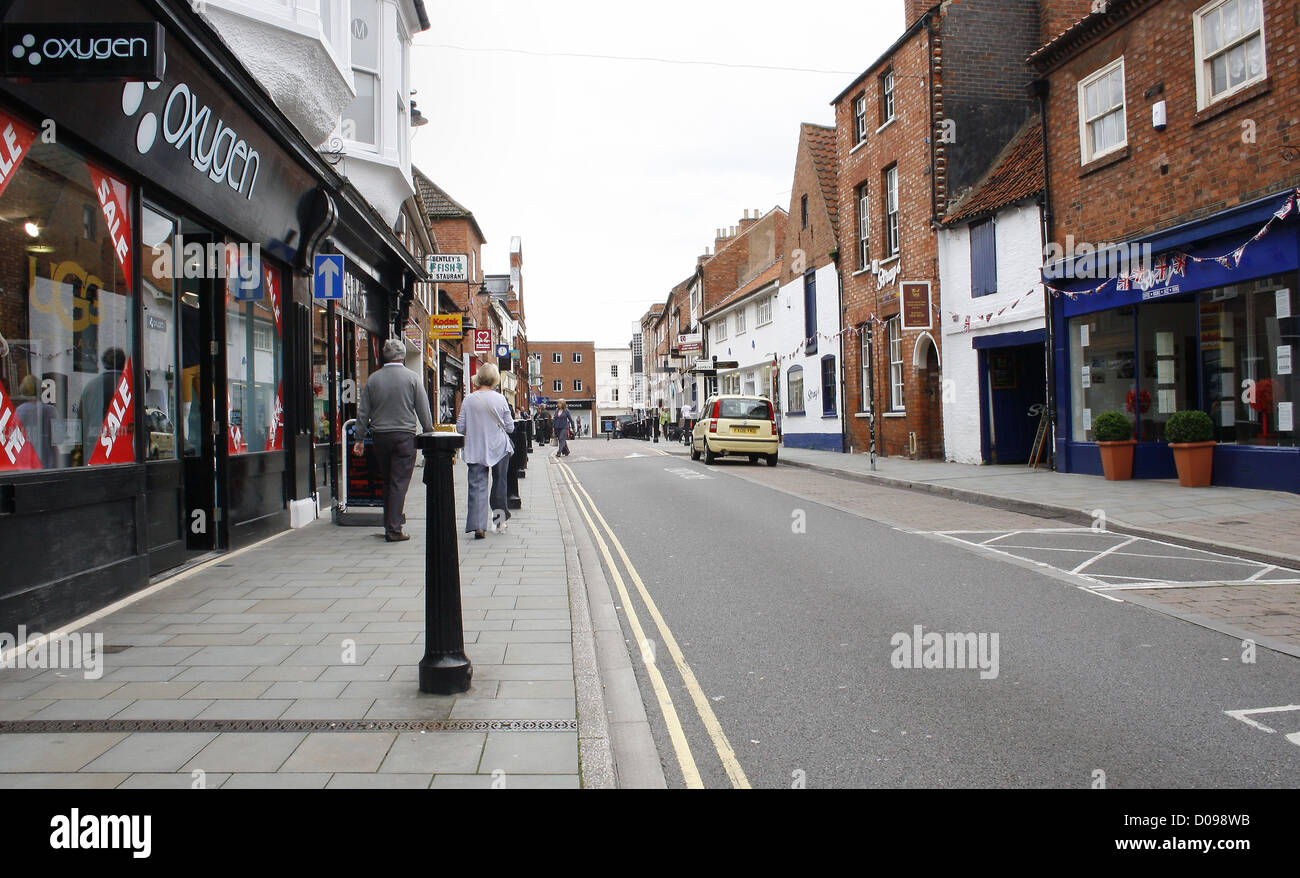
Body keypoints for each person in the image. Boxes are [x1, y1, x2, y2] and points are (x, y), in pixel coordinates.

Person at [352, 338, 433, 542]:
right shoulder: (413, 378)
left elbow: (363, 412)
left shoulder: (373, 379)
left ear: (383, 357)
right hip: (404, 436)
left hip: (380, 437)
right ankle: (394, 529)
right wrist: (429, 431)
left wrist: (359, 438)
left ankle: (390, 522)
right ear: (403, 356)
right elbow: (423, 409)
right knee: (399, 482)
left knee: (388, 480)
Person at [457, 363, 515, 539]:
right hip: (499, 448)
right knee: (499, 484)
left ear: (479, 378)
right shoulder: (500, 399)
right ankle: (499, 521)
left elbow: (460, 428)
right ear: (495, 379)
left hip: (476, 449)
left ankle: (478, 526)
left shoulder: (469, 399)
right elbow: (510, 428)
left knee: (476, 486)